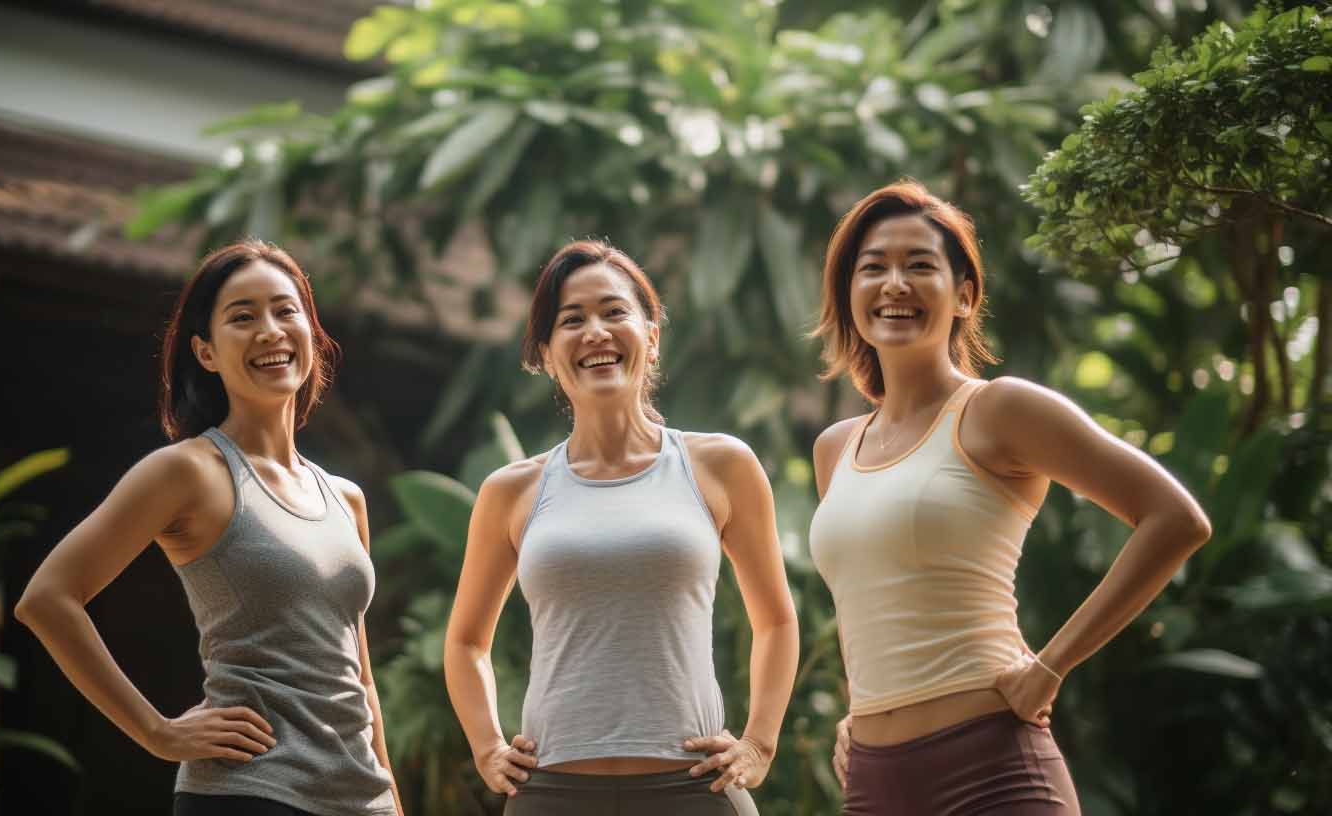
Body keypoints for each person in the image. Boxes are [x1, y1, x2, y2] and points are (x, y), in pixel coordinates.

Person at [807, 181, 1212, 815]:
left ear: (964, 294)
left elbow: (1175, 518)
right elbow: (876, 596)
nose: (894, 284)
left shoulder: (1000, 410)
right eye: (872, 267)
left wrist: (1051, 666)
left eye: (920, 266)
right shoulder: (835, 448)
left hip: (993, 770)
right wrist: (862, 709)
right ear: (848, 293)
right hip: (875, 784)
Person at [15, 240, 402, 816]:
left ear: (311, 336)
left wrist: (391, 795)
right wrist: (157, 732)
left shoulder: (345, 498)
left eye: (285, 310)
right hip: (252, 792)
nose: (269, 330)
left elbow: (358, 678)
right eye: (242, 317)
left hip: (360, 798)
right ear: (206, 352)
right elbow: (47, 599)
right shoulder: (187, 471)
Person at [443, 240, 799, 815]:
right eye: (571, 320)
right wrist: (487, 747)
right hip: (553, 793)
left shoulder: (720, 466)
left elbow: (777, 620)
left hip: (695, 790)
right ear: (546, 354)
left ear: (651, 337)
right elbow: (464, 642)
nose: (596, 332)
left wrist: (759, 742)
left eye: (614, 312)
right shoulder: (512, 490)